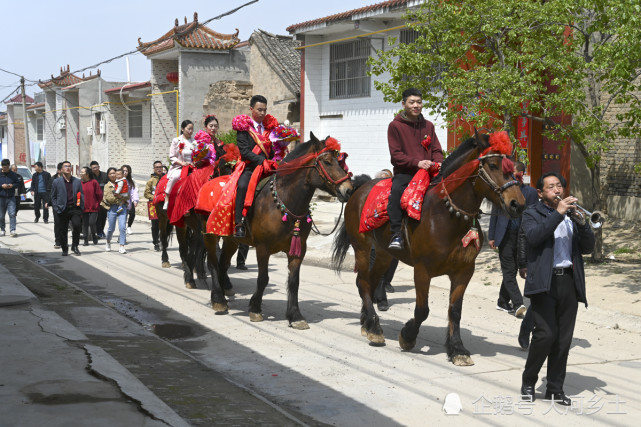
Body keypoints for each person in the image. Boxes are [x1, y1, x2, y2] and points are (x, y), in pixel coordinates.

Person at [520, 172, 595, 406]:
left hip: (568, 282)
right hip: (544, 282)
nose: (557, 190)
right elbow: (534, 237)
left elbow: (588, 248)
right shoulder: (532, 212)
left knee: (563, 340)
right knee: (545, 335)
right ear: (541, 193)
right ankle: (529, 381)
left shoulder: (572, 215)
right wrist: (558, 213)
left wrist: (582, 225)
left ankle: (554, 388)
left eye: (559, 186)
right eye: (551, 187)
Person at [387, 88, 443, 250]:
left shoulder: (429, 125)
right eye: (412, 102)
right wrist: (417, 163)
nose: (416, 105)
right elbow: (396, 155)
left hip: (429, 172)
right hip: (406, 173)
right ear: (404, 104)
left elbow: (437, 149)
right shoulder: (395, 126)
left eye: (419, 102)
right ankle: (396, 234)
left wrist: (437, 163)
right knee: (396, 193)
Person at [489, 161, 538, 318]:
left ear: (521, 174)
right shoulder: (502, 190)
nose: (510, 177)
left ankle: (502, 301)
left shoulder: (530, 193)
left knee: (513, 270)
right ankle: (518, 303)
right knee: (509, 271)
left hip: (521, 237)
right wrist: (491, 236)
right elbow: (494, 215)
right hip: (504, 235)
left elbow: (532, 215)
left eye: (514, 173)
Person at [234, 95, 277, 238]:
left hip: (269, 167)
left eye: (265, 110)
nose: (262, 113)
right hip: (250, 167)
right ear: (251, 109)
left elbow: (274, 148)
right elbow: (244, 152)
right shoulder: (244, 129)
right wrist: (260, 160)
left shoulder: (269, 128)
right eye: (259, 110)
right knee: (242, 186)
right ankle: (239, 223)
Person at [50, 161, 84, 256]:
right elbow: (53, 196)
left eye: (69, 166)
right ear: (61, 169)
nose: (68, 168)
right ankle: (65, 248)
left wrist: (81, 207)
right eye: (66, 166)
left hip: (74, 208)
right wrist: (56, 207)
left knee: (77, 226)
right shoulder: (57, 181)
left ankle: (75, 246)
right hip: (62, 208)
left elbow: (81, 195)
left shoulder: (77, 181)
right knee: (63, 229)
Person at [165, 120, 195, 210]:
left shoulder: (194, 141)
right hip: (179, 166)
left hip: (192, 166)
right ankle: (167, 197)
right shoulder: (176, 140)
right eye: (188, 129)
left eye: (192, 129)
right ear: (182, 129)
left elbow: (197, 154)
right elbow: (172, 156)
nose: (190, 131)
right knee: (175, 177)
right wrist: (182, 163)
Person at [101, 167, 129, 254]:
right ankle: (108, 241)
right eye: (111, 174)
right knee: (111, 228)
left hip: (122, 207)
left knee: (122, 227)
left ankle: (122, 246)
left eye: (115, 173)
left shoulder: (123, 183)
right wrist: (120, 197)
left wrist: (122, 197)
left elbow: (128, 195)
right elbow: (109, 198)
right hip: (112, 208)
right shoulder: (107, 186)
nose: (113, 175)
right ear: (108, 175)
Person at [144, 160, 164, 251]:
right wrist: (155, 198)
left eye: (160, 167)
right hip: (154, 205)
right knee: (155, 225)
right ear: (154, 169)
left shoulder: (167, 178)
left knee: (165, 224)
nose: (159, 169)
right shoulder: (151, 181)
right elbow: (146, 193)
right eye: (157, 167)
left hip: (164, 204)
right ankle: (156, 241)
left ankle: (163, 240)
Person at [80, 166, 102, 246]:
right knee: (85, 224)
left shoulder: (94, 182)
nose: (81, 173)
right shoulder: (80, 183)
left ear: (87, 174)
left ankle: (93, 235)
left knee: (92, 222)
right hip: (83, 207)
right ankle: (85, 239)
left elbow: (99, 194)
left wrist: (98, 203)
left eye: (82, 172)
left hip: (93, 207)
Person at [0, 159, 20, 237]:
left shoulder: (13, 174)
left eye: (7, 167)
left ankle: (12, 230)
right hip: (1, 197)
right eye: (4, 167)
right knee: (1, 215)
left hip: (11, 197)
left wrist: (12, 185)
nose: (5, 169)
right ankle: (2, 229)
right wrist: (1, 186)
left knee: (12, 214)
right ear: (2, 166)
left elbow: (18, 183)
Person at [90, 161, 109, 238]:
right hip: (94, 201)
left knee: (103, 216)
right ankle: (96, 231)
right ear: (91, 169)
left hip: (103, 200)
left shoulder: (105, 176)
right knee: (95, 217)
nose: (95, 169)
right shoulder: (90, 176)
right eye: (93, 168)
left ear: (99, 167)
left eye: (96, 167)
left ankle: (101, 231)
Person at [49, 162, 64, 248]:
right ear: (59, 170)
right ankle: (58, 241)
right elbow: (49, 191)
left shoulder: (70, 179)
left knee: (64, 223)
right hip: (56, 205)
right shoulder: (53, 179)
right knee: (57, 223)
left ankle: (63, 241)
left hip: (67, 204)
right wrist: (48, 202)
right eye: (63, 168)